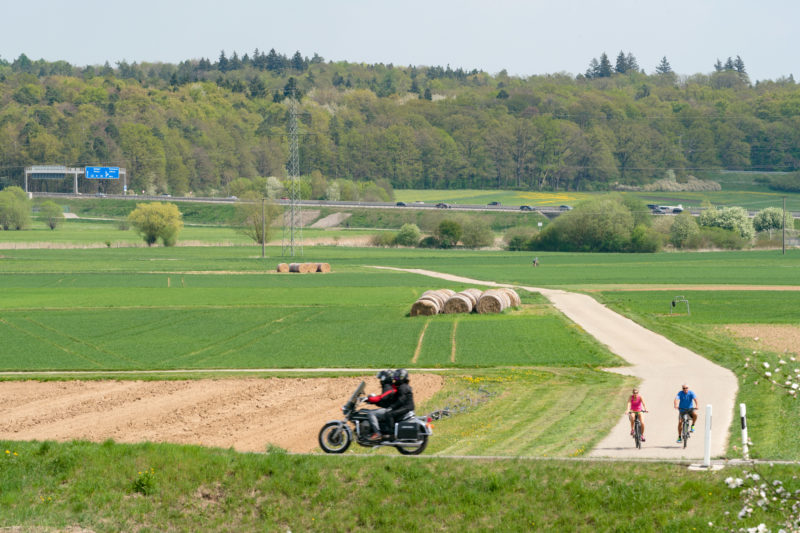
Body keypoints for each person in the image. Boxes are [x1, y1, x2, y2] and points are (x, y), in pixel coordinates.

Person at [366, 369, 396, 441]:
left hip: (389, 410)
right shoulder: (390, 386)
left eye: (381, 378)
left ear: (385, 378)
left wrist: (370, 398)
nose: (380, 381)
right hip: (390, 408)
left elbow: (381, 398)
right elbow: (383, 400)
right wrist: (372, 401)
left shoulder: (388, 387)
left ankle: (377, 433)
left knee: (371, 413)